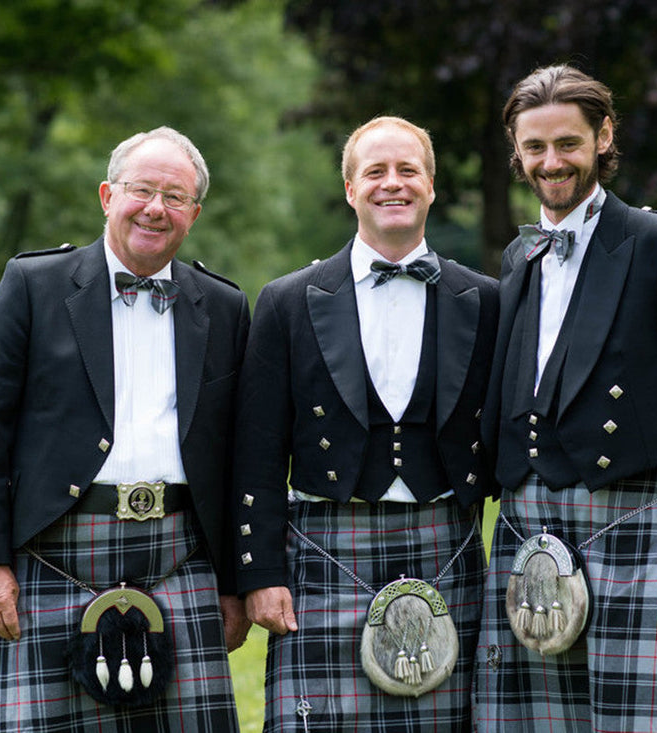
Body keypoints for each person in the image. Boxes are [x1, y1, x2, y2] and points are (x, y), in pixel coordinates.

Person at [475, 64, 657, 731]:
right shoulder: (520, 258)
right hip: (526, 519)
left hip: (631, 520)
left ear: (603, 136)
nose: (553, 162)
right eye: (536, 146)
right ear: (517, 152)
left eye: (568, 143)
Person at [0, 126, 251, 732]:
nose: (155, 208)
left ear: (194, 214)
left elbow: (238, 455)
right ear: (107, 196)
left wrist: (236, 581)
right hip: (55, 553)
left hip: (182, 557)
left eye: (175, 197)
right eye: (142, 190)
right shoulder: (35, 285)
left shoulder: (223, 307)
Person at [233, 116, 498, 731]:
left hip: (446, 538)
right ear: (351, 189)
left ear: (431, 186)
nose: (392, 184)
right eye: (375, 171)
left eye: (408, 170)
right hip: (325, 542)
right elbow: (257, 450)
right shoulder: (289, 299)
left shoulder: (484, 298)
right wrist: (261, 572)